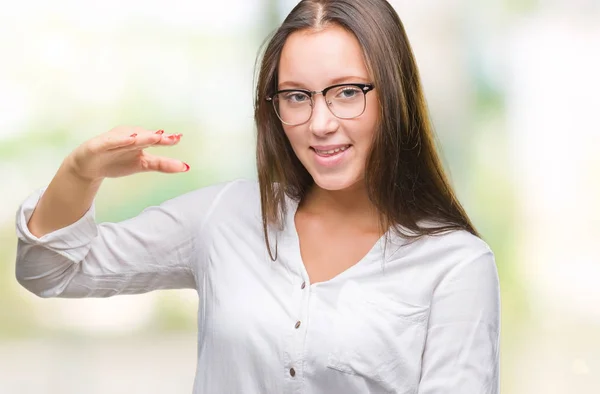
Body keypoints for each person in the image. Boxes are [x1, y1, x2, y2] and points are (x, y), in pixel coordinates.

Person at [14, 0, 500, 393]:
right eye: (296, 96)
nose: (320, 123)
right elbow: (49, 271)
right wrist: (80, 171)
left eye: (347, 92)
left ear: (392, 94)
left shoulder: (455, 265)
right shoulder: (224, 217)